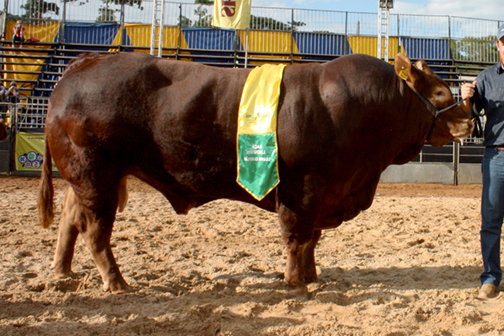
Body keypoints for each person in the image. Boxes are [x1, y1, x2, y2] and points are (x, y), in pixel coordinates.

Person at [461, 23, 504, 300]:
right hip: (496, 156)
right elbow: (470, 116)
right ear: (499, 45)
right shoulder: (486, 78)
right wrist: (465, 99)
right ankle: (490, 278)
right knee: (490, 220)